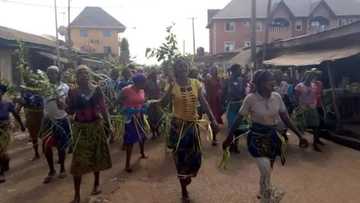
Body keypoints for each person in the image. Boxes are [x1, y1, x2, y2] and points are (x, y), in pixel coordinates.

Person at [223, 70, 308, 202]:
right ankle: (267, 198)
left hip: (272, 137)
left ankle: (262, 190)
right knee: (265, 168)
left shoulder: (277, 97)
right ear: (260, 83)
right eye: (269, 80)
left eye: (273, 79)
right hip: (256, 138)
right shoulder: (250, 99)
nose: (273, 82)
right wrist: (229, 137)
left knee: (268, 170)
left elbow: (285, 118)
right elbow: (238, 119)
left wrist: (300, 136)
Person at [157, 59, 218, 202]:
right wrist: (170, 87)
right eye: (179, 67)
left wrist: (213, 120)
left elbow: (204, 102)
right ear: (175, 70)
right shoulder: (171, 85)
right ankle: (184, 190)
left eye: (184, 66)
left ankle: (187, 178)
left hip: (192, 127)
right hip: (178, 128)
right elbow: (164, 104)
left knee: (196, 157)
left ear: (188, 68)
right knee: (180, 159)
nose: (182, 69)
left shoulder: (196, 83)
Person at [66, 65, 112, 203]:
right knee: (78, 161)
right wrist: (63, 106)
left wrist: (109, 125)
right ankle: (77, 194)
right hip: (81, 129)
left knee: (96, 156)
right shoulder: (72, 92)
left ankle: (96, 183)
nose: (83, 75)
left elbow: (103, 108)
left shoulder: (97, 90)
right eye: (80, 73)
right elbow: (70, 110)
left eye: (86, 72)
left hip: (96, 127)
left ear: (90, 75)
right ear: (76, 77)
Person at [42, 66, 71, 184]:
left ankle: (62, 168)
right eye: (48, 73)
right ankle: (51, 170)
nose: (50, 75)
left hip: (62, 119)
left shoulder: (65, 87)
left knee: (61, 146)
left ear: (58, 74)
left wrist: (61, 102)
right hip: (48, 121)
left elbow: (68, 103)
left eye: (53, 73)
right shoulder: (43, 86)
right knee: (46, 147)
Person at [118, 74, 148, 173]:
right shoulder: (126, 90)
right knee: (130, 141)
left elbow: (142, 101)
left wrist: (144, 107)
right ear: (138, 82)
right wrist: (126, 109)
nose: (145, 84)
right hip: (130, 119)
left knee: (142, 136)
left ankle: (142, 152)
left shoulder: (142, 91)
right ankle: (127, 164)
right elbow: (118, 101)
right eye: (144, 82)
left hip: (139, 117)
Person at [294, 70, 325, 152]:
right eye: (309, 76)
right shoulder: (299, 86)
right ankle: (302, 141)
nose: (310, 78)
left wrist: (316, 101)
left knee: (316, 125)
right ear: (305, 76)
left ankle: (315, 143)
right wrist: (299, 107)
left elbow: (316, 95)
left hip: (312, 108)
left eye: (311, 76)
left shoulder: (313, 85)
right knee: (302, 126)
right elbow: (296, 98)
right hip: (303, 109)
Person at [0, 84, 25, 183]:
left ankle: (1, 172)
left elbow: (16, 114)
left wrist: (22, 125)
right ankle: (5, 161)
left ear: (2, 93)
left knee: (1, 151)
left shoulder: (7, 104)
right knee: (1, 152)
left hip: (5, 130)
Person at [222, 64, 247, 153]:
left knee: (239, 127)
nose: (241, 71)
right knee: (232, 126)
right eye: (239, 69)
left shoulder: (241, 80)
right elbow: (223, 92)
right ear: (234, 71)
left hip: (240, 104)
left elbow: (244, 92)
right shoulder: (227, 80)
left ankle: (235, 145)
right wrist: (223, 104)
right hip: (231, 105)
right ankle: (231, 144)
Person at [205, 66, 223, 146]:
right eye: (212, 70)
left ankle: (214, 136)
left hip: (217, 101)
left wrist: (220, 92)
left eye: (214, 70)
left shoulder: (218, 79)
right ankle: (214, 138)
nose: (213, 71)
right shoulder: (208, 80)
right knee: (213, 119)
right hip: (211, 101)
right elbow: (206, 91)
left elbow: (220, 88)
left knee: (217, 118)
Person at [145, 70, 162, 138]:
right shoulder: (155, 82)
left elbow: (146, 93)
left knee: (151, 118)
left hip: (151, 103)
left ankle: (154, 132)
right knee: (157, 118)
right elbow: (158, 92)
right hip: (155, 102)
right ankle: (156, 131)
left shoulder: (148, 82)